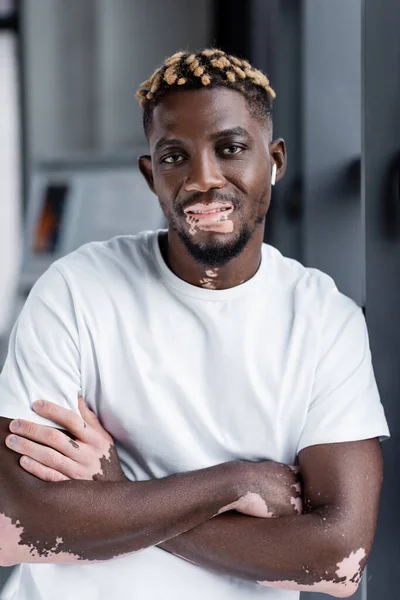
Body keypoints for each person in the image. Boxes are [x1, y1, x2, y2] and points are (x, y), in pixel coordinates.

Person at [0, 49, 389, 600]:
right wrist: (238, 484)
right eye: (174, 157)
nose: (203, 179)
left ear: (274, 160)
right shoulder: (76, 290)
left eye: (230, 149)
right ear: (150, 174)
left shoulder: (326, 321)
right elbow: (14, 525)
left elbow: (337, 562)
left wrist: (116, 493)